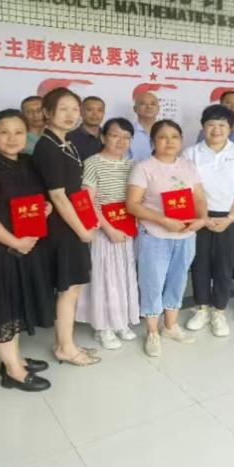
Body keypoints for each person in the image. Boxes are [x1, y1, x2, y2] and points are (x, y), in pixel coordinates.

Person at [0, 109, 55, 391]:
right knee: (4, 309)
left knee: (16, 305)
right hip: (1, 250)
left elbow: (37, 199)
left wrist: (46, 207)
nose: (12, 138)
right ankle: (14, 372)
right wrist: (14, 242)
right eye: (4, 132)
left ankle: (14, 359)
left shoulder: (28, 162)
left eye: (18, 132)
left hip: (27, 247)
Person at [126, 120, 209, 356]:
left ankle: (170, 326)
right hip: (155, 235)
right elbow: (132, 205)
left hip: (185, 235)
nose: (169, 141)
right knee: (152, 282)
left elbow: (199, 198)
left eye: (175, 136)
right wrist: (162, 220)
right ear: (153, 141)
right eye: (163, 137)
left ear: (181, 140)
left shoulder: (188, 165)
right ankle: (152, 331)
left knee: (178, 279)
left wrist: (202, 219)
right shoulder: (144, 167)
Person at [32, 87, 99, 366]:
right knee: (68, 288)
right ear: (47, 113)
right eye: (63, 109)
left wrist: (88, 220)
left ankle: (65, 341)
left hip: (72, 222)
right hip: (62, 228)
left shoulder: (66, 143)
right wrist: (81, 230)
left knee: (73, 287)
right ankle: (65, 348)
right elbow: (58, 195)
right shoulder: (47, 146)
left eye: (74, 109)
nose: (71, 115)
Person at [183, 104, 234, 337]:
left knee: (225, 265)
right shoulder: (191, 153)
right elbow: (185, 189)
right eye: (211, 124)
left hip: (229, 216)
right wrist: (202, 218)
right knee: (200, 264)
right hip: (199, 217)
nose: (216, 129)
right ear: (203, 127)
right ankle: (202, 308)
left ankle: (219, 310)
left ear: (230, 127)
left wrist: (231, 218)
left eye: (222, 125)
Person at [78, 118, 140, 350]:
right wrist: (108, 228)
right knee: (104, 277)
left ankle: (120, 321)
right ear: (103, 137)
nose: (121, 141)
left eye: (126, 137)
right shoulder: (92, 163)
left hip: (127, 228)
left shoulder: (132, 164)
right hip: (103, 230)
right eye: (115, 135)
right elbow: (88, 201)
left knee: (124, 275)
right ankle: (103, 327)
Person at [68, 95, 105, 160]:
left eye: (99, 110)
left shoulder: (108, 136)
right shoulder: (70, 138)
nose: (95, 114)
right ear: (81, 112)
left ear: (103, 113)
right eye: (89, 110)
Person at [129, 87, 161, 161]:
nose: (149, 107)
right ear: (135, 109)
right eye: (143, 104)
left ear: (158, 109)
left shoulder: (165, 131)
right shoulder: (128, 132)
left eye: (153, 104)